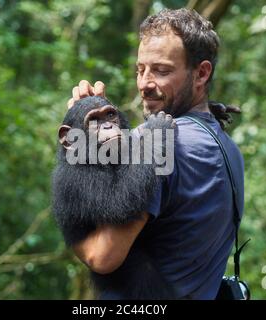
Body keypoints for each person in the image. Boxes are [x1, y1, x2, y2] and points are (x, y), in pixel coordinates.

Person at [67, 8, 244, 299]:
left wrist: (75, 145)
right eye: (140, 69)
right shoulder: (228, 148)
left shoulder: (157, 142)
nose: (144, 84)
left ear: (201, 73)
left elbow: (102, 256)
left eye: (161, 71)